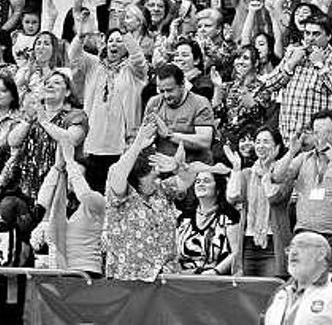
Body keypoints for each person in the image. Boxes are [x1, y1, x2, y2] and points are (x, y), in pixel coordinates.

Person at [103, 122, 210, 281]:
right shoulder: (120, 196)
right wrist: (138, 143)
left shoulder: (163, 189)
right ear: (139, 176)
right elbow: (117, 172)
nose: (158, 177)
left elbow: (187, 180)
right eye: (153, 175)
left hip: (166, 278)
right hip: (128, 280)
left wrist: (177, 167)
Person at [270, 110, 332, 276]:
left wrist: (327, 149)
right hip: (305, 232)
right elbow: (277, 177)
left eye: (326, 132)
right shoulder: (304, 158)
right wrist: (292, 151)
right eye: (316, 132)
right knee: (302, 281)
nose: (320, 137)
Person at [69, 26, 147, 194]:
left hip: (122, 145)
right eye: (111, 40)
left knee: (120, 196)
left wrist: (126, 33)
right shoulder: (94, 64)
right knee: (95, 196)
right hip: (94, 143)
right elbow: (74, 56)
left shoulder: (134, 70)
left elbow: (138, 58)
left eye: (120, 41)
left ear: (126, 45)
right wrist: (82, 34)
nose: (114, 44)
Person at [259, 14, 332, 140]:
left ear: (328, 36)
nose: (310, 38)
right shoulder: (293, 53)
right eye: (307, 33)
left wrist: (320, 65)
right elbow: (269, 85)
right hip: (289, 135)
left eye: (316, 34)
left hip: (319, 137)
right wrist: (291, 63)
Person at [1, 71, 87, 201]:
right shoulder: (35, 113)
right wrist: (28, 120)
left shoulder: (75, 115)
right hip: (26, 190)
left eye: (56, 83)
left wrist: (44, 122)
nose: (49, 86)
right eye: (47, 83)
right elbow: (12, 141)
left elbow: (73, 139)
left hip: (58, 190)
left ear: (68, 92)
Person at [227, 127, 294, 278]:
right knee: (249, 293)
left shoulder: (285, 173)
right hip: (249, 243)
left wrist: (266, 176)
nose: (261, 146)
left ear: (277, 147)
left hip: (273, 243)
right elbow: (232, 197)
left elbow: (275, 197)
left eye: (266, 142)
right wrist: (236, 168)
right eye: (257, 142)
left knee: (271, 290)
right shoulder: (247, 173)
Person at [34, 141, 104, 275]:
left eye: (76, 175)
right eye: (68, 175)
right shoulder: (61, 204)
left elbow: (83, 193)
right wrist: (58, 167)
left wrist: (71, 162)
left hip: (87, 273)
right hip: (60, 271)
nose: (71, 178)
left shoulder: (96, 201)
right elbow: (42, 200)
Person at [143, 64, 214, 164]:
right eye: (161, 91)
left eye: (170, 90)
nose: (166, 96)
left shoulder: (200, 103)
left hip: (193, 167)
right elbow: (145, 137)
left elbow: (204, 141)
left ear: (182, 84)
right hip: (163, 165)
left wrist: (169, 135)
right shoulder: (154, 103)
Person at [177, 167, 240, 275]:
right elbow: (173, 252)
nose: (201, 184)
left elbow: (236, 252)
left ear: (218, 188)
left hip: (216, 279)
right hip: (183, 278)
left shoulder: (229, 216)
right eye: (197, 181)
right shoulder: (184, 217)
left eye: (206, 181)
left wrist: (215, 272)